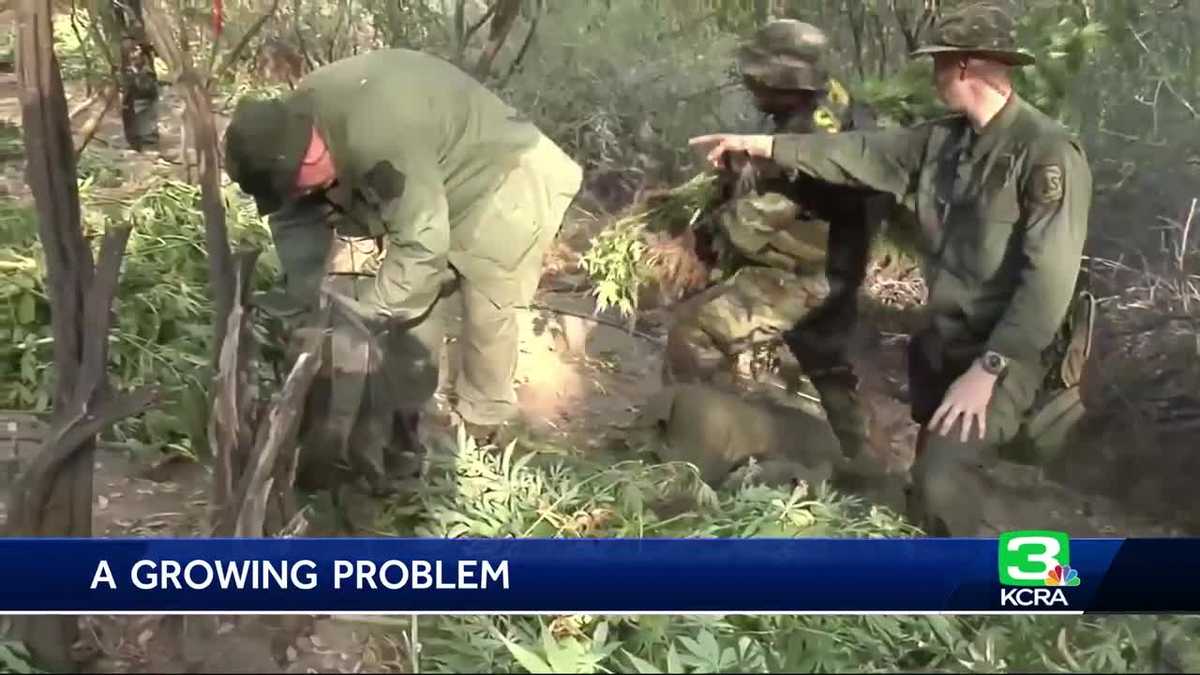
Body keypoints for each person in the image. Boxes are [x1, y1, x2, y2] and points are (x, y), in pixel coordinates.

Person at [689, 3, 1093, 535]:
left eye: (939, 65)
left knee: (940, 485)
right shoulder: (943, 141)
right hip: (945, 345)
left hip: (1006, 355)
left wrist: (988, 370)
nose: (933, 76)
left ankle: (1003, 596)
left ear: (966, 67)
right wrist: (761, 145)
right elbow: (856, 152)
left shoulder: (1045, 154)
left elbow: (1048, 284)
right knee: (927, 489)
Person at [223, 49, 582, 493]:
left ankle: (482, 439)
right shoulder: (285, 132)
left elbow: (421, 248)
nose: (304, 194)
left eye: (299, 185)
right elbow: (295, 220)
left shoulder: (378, 138)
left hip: (504, 177)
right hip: (433, 182)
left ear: (307, 157)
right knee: (413, 309)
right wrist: (304, 306)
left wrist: (360, 319)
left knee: (489, 310)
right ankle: (412, 424)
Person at [662, 19, 888, 461]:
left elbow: (750, 226)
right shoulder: (834, 102)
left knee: (694, 333)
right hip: (836, 262)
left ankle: (693, 452)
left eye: (758, 78)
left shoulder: (807, 134)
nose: (751, 86)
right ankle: (866, 468)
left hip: (803, 273)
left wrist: (696, 236)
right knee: (826, 361)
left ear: (786, 80)